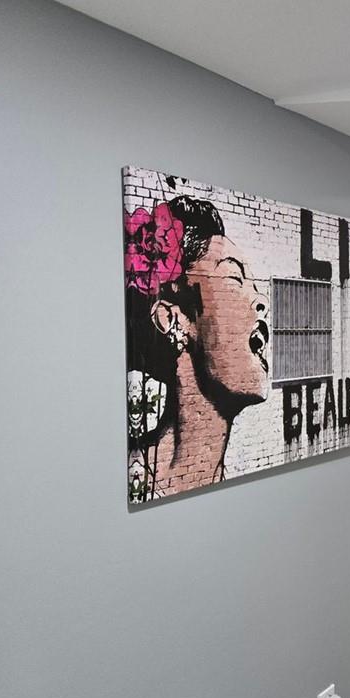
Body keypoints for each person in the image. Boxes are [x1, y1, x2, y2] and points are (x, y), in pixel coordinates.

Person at [125, 195, 269, 501]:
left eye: (256, 286)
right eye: (234, 278)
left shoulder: (232, 481)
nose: (262, 302)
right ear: (173, 318)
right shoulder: (133, 484)